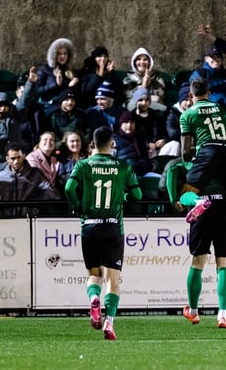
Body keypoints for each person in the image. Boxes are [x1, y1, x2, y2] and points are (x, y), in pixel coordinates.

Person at [64, 126, 142, 341]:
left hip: (89, 226)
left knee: (94, 275)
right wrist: (123, 198)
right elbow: (137, 194)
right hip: (113, 227)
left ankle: (93, 300)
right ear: (112, 143)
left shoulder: (83, 165)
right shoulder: (123, 166)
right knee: (112, 279)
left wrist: (78, 207)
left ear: (92, 144)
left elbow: (69, 188)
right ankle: (109, 322)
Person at [180, 76, 226, 220]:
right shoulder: (223, 108)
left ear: (190, 95)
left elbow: (186, 146)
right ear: (208, 93)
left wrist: (188, 161)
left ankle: (199, 202)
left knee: (185, 191)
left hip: (207, 151)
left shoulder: (187, 114)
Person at [180, 173, 226, 329]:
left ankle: (193, 311)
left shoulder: (194, 168)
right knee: (224, 265)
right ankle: (222, 315)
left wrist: (181, 200)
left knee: (197, 263)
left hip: (203, 215)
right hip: (224, 210)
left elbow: (179, 195)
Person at [0, 142, 57, 217]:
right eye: (13, 158)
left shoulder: (35, 173)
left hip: (29, 220)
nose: (16, 161)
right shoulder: (0, 176)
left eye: (19, 157)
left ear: (23, 156)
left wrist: (33, 203)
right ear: (7, 159)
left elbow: (49, 192)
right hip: (6, 220)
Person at [35, 37, 79, 108]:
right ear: (54, 55)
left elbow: (76, 94)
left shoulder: (72, 72)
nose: (62, 56)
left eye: (65, 53)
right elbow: (37, 90)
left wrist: (73, 86)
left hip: (68, 107)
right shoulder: (45, 70)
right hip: (50, 105)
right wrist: (56, 84)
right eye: (59, 53)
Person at [122, 47, 167, 111]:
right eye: (139, 59)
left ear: (149, 62)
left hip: (153, 106)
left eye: (145, 59)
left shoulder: (157, 78)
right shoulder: (128, 79)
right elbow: (129, 97)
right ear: (134, 62)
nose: (142, 62)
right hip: (133, 107)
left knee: (165, 109)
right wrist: (144, 85)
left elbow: (160, 97)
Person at [161, 81, 193, 157]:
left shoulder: (195, 111)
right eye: (186, 100)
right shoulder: (172, 112)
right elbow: (172, 132)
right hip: (176, 144)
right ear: (180, 99)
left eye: (191, 100)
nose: (189, 103)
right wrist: (190, 136)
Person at [25, 131, 62, 197]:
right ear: (39, 143)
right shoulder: (32, 157)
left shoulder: (54, 159)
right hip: (37, 193)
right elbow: (36, 179)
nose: (48, 141)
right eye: (45, 139)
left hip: (51, 193)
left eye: (51, 140)